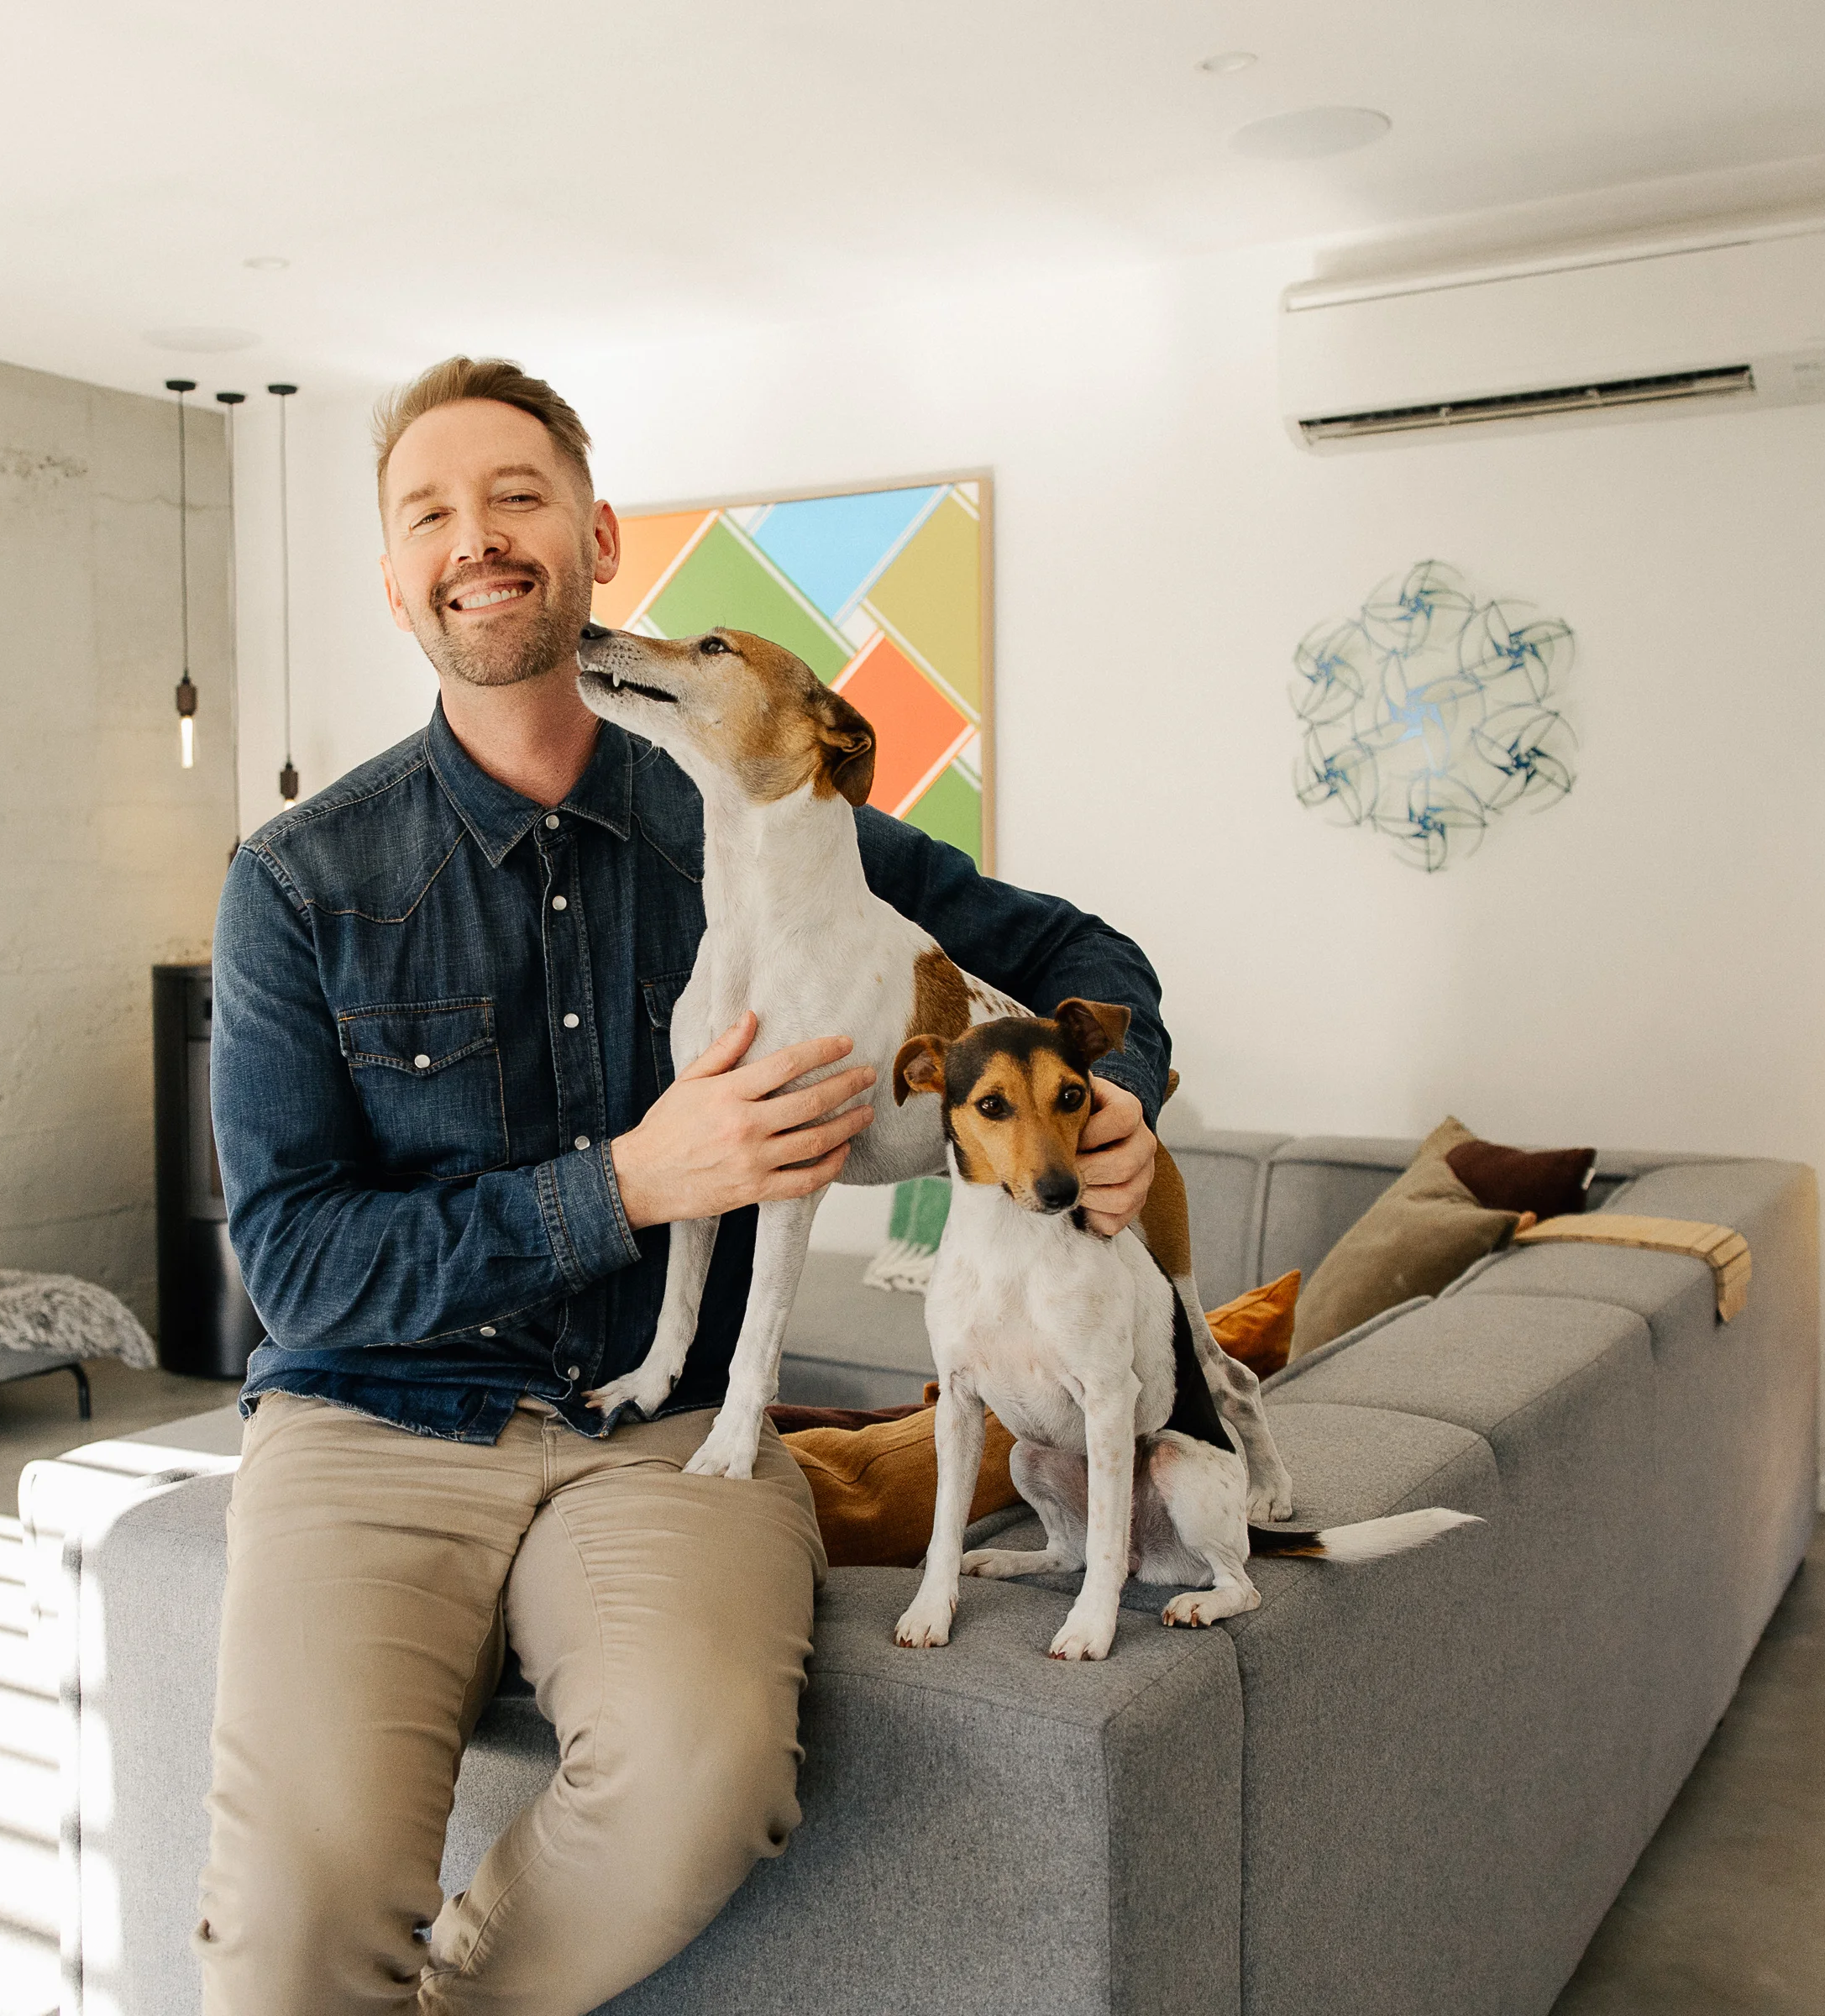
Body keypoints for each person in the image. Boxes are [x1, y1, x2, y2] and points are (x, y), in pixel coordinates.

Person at [200, 357, 1171, 2014]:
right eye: (428, 512)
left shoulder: (777, 810)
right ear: (391, 580)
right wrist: (627, 1185)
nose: (476, 537)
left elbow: (1090, 963)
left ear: (597, 542)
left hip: (664, 1440)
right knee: (291, 1937)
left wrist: (1119, 1101)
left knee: (707, 1781)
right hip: (372, 1427)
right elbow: (294, 1264)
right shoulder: (296, 881)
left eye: (517, 495)